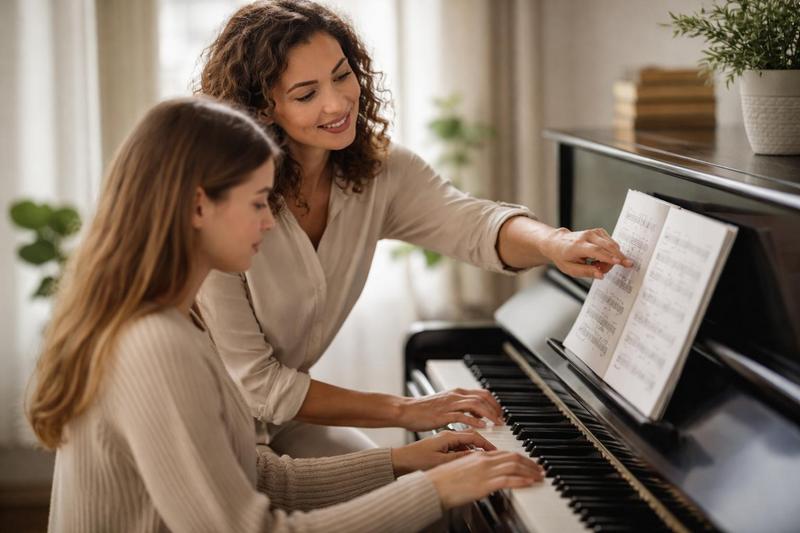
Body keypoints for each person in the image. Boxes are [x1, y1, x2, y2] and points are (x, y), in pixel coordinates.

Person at [26, 97, 544, 532]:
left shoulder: (176, 321)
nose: (271, 222)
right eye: (258, 202)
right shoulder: (156, 344)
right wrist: (433, 490)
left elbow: (259, 477)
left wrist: (404, 461)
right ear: (199, 207)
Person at [197, 0, 632, 457]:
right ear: (263, 108)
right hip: (205, 426)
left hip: (281, 422)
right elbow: (258, 384)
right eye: (306, 94)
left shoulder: (379, 171)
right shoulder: (222, 203)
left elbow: (471, 223)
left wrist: (555, 242)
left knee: (423, 485)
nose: (337, 102)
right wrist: (407, 410)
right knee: (410, 483)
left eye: (342, 76)